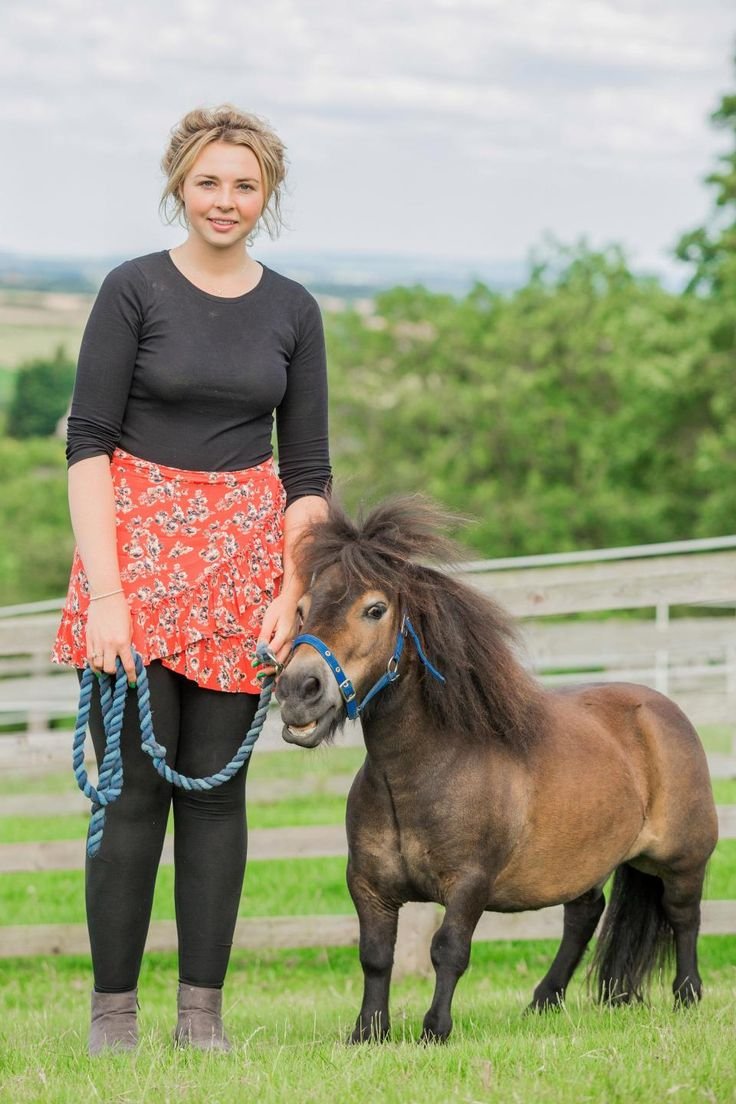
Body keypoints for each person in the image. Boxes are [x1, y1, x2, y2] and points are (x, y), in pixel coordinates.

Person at [52, 105, 331, 1055]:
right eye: (209, 181)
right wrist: (107, 596)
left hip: (245, 572)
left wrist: (290, 590)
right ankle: (113, 1021)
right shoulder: (133, 290)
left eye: (245, 185)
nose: (225, 200)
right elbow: (88, 446)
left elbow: (308, 476)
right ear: (180, 184)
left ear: (267, 194)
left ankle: (201, 1021)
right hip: (131, 564)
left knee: (216, 795)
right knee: (130, 795)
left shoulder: (294, 310)